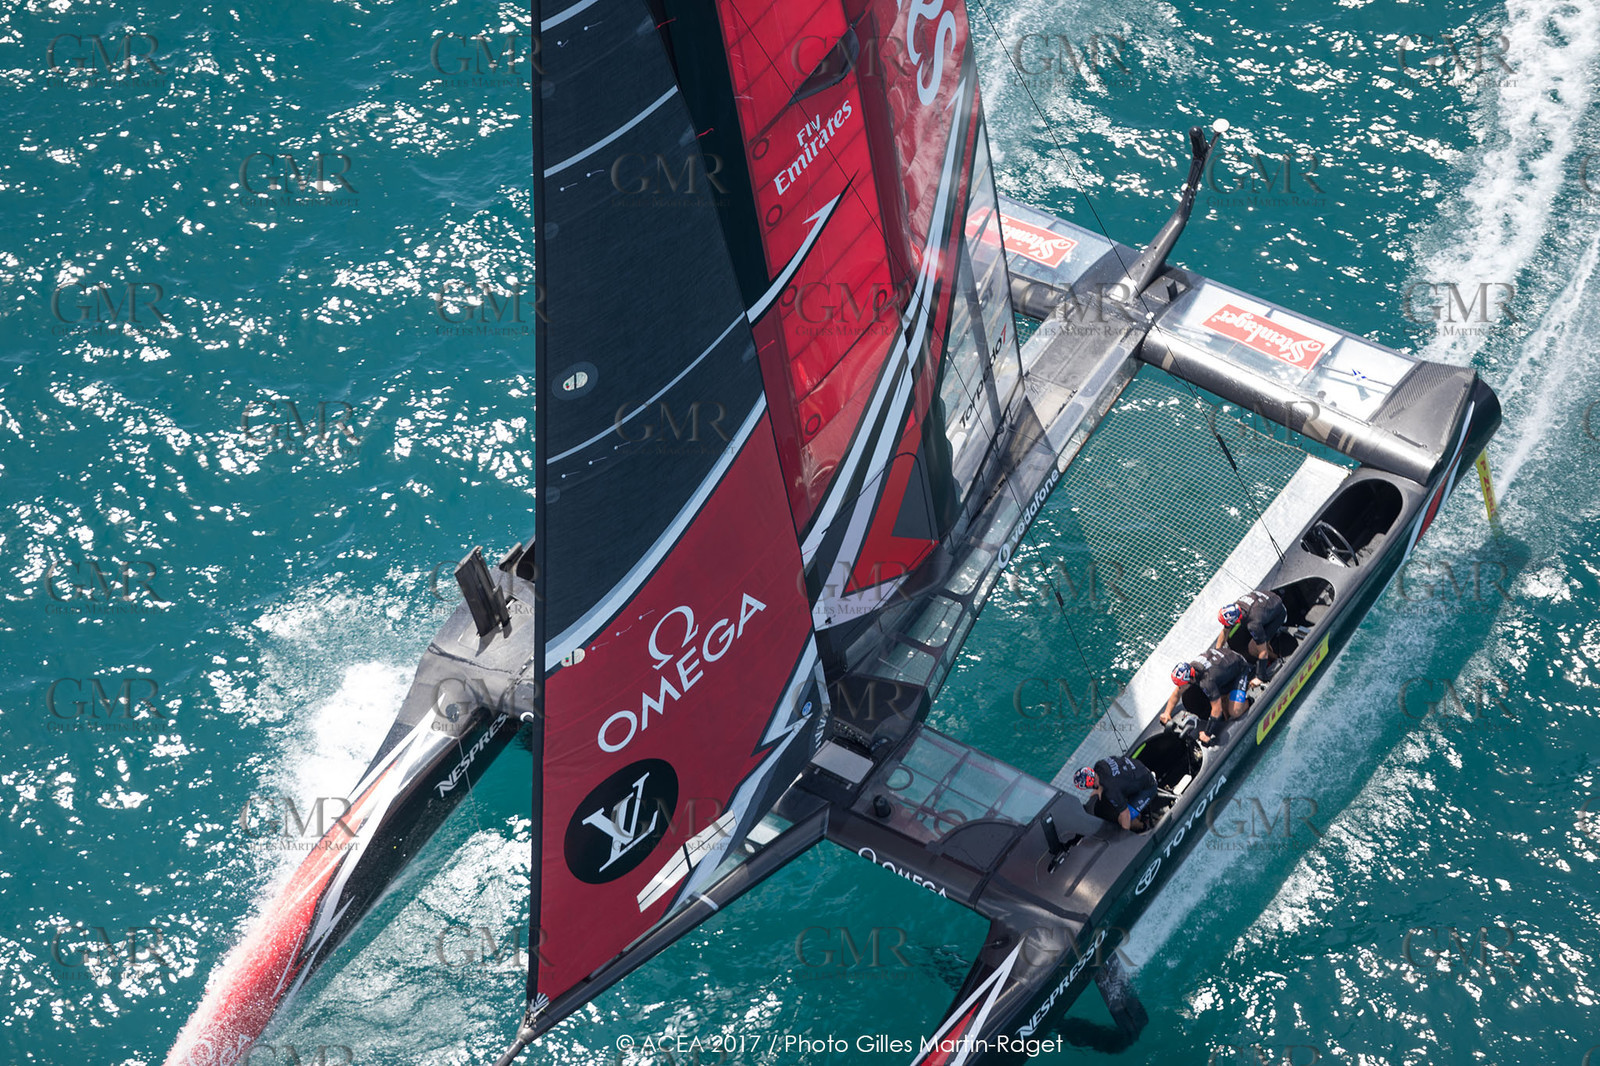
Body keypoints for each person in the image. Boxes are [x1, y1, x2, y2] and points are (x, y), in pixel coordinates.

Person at [1161, 647, 1254, 744]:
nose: (1179, 687)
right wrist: (1167, 712)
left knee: (1235, 711)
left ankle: (1249, 700)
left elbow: (1217, 710)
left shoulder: (1207, 681)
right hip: (1223, 665)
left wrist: (1207, 734)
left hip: (1240, 667)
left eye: (1181, 684)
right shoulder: (1191, 670)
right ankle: (1226, 694)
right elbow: (1177, 692)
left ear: (1190, 680)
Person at [1073, 756, 1157, 831]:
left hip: (1148, 788)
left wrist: (1123, 837)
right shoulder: (1100, 765)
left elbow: (1125, 815)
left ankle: (1144, 826)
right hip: (1140, 771)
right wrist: (1099, 788)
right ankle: (1140, 814)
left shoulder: (1112, 790)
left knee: (1123, 819)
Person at [1215, 589, 1288, 666]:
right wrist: (1217, 653)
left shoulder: (1253, 624)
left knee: (1253, 647)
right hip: (1266, 604)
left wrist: (1261, 675)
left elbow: (1263, 652)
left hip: (1277, 614)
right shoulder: (1236, 607)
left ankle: (1276, 659)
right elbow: (1225, 631)